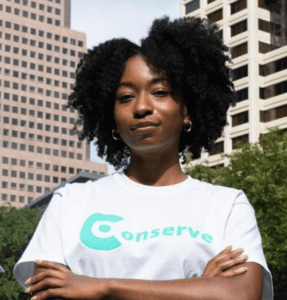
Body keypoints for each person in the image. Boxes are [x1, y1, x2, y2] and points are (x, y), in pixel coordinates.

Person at [13, 16, 273, 300]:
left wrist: (102, 287)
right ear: (111, 116)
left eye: (160, 92)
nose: (141, 107)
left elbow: (240, 294)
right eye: (125, 97)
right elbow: (49, 294)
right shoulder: (70, 202)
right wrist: (197, 288)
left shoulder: (227, 205)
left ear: (187, 111)